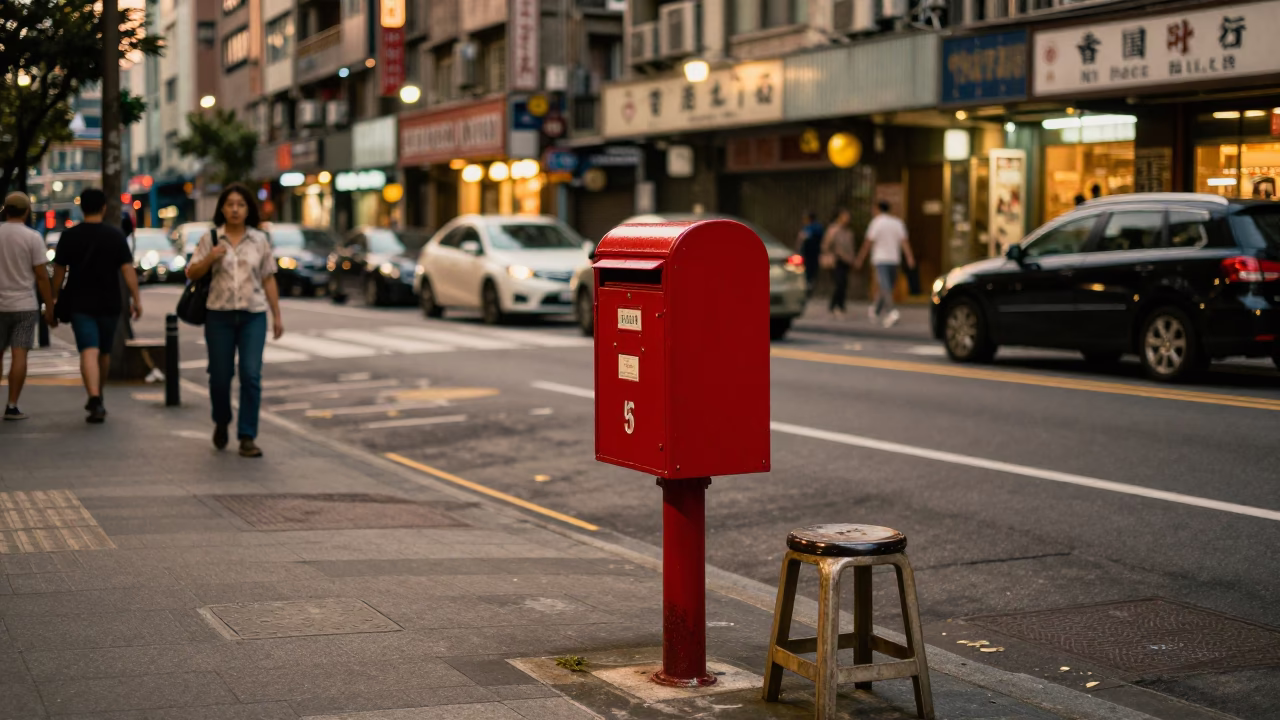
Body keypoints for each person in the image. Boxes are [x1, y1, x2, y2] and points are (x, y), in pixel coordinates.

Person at [185, 184, 284, 457]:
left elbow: (268, 276)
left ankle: (247, 436)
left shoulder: (259, 240)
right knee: (219, 377)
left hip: (253, 315)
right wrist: (210, 258)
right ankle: (221, 420)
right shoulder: (211, 238)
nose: (236, 209)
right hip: (219, 315)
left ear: (248, 208)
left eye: (241, 204)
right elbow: (192, 272)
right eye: (230, 204)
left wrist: (276, 314)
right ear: (223, 208)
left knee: (251, 375)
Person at [51, 188, 142, 423]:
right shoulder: (115, 236)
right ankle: (98, 395)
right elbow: (127, 270)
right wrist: (136, 299)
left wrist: (52, 299)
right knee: (103, 352)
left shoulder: (69, 236)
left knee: (87, 350)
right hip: (110, 302)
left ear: (82, 207)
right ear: (103, 208)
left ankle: (94, 397)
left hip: (80, 303)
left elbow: (59, 274)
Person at [0, 192, 56, 420]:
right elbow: (42, 276)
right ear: (26, 212)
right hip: (24, 306)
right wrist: (49, 306)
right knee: (19, 354)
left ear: (5, 210)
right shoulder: (33, 238)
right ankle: (12, 405)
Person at [856, 200, 915, 328]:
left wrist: (860, 258)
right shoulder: (897, 223)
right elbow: (905, 242)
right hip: (891, 259)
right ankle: (891, 312)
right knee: (886, 285)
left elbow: (867, 243)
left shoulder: (877, 223)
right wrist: (909, 257)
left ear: (877, 209)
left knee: (886, 286)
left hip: (882, 259)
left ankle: (875, 310)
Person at [821, 209, 855, 318]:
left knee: (844, 283)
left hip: (846, 260)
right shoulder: (833, 230)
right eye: (845, 216)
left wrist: (852, 258)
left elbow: (851, 247)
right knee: (839, 283)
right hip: (836, 260)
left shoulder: (848, 232)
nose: (847, 219)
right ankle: (834, 305)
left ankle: (841, 305)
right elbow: (825, 245)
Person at [797, 211, 825, 299]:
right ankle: (807, 289)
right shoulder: (808, 227)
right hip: (807, 254)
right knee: (807, 273)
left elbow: (803, 238)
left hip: (812, 254)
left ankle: (808, 290)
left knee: (810, 273)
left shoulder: (815, 227)